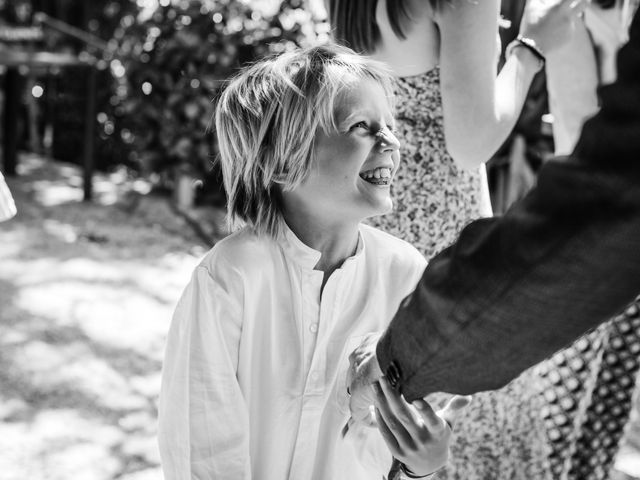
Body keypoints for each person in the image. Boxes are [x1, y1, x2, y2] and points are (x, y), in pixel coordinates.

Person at [348, 7, 640, 478]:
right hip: (442, 225)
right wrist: (529, 49)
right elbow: (471, 141)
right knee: (477, 439)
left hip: (378, 205)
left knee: (368, 433)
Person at [157, 44, 468, 480]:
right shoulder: (229, 278)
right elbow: (203, 444)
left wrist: (422, 463)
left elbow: (408, 435)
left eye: (390, 126)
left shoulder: (406, 276)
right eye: (362, 126)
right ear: (282, 161)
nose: (391, 142)